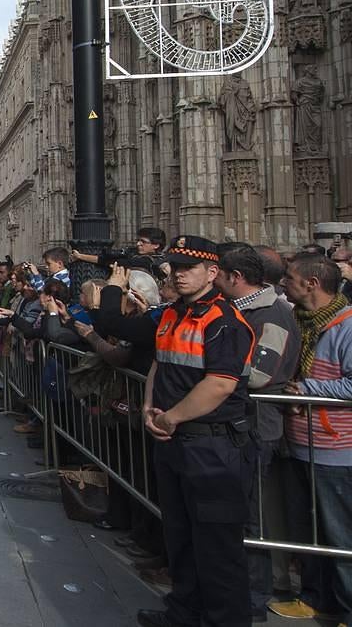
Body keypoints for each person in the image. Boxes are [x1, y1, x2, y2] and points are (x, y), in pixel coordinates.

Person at [137, 235, 257, 627]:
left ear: (212, 272)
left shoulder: (223, 319)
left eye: (188, 267)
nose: (178, 274)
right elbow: (161, 363)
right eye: (175, 266)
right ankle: (183, 613)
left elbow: (220, 383)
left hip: (213, 446)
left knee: (217, 548)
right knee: (181, 538)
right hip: (174, 444)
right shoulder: (172, 313)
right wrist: (148, 404)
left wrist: (172, 417)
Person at [211, 242, 300, 620]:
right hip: (239, 422)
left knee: (251, 516)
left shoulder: (273, 314)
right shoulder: (240, 310)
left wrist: (213, 370)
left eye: (219, 274)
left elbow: (262, 374)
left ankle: (252, 598)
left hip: (258, 427)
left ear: (235, 277)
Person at [268, 254, 352, 622]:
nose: (284, 282)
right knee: (309, 532)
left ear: (312, 284)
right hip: (301, 442)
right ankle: (317, 599)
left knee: (340, 537)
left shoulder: (346, 327)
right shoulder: (301, 322)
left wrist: (306, 388)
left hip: (335, 449)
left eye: (290, 277)